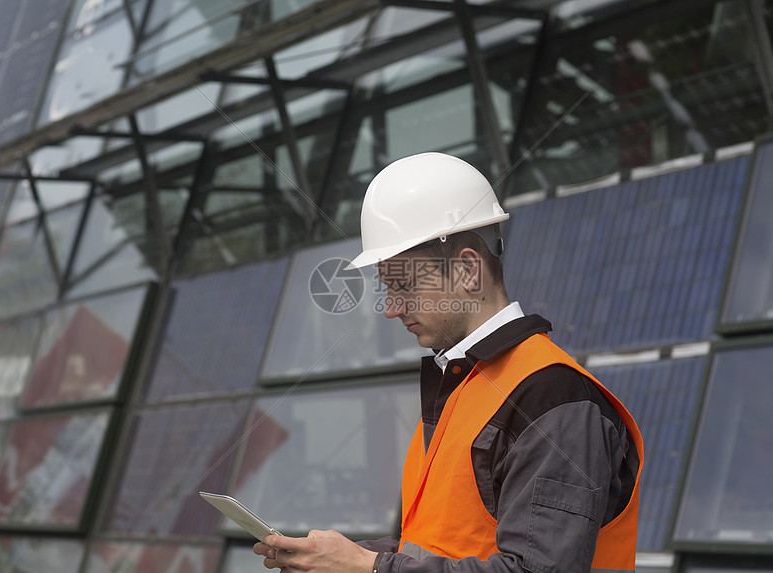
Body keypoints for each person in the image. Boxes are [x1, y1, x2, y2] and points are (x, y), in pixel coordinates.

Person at [253, 152, 643, 573]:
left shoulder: (554, 398)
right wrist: (337, 559)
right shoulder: (464, 387)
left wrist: (371, 568)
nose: (390, 307)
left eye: (403, 285)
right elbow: (440, 544)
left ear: (468, 271)